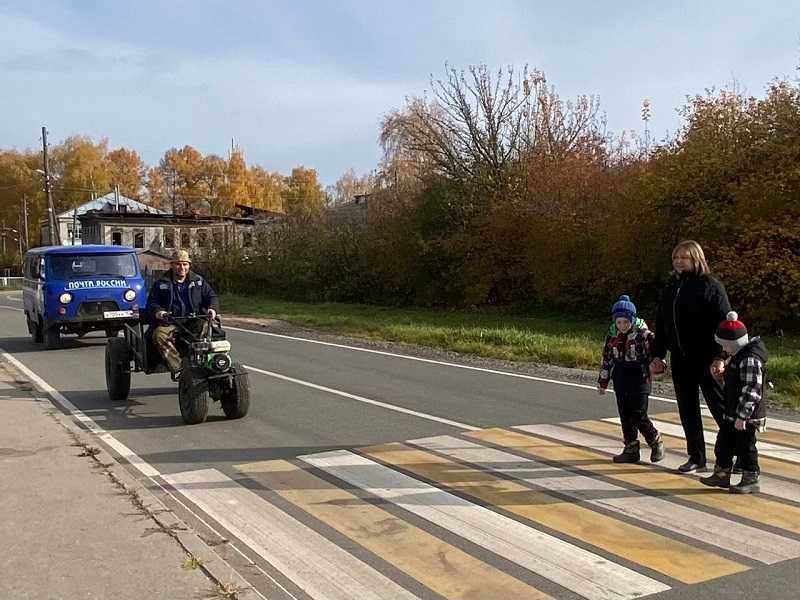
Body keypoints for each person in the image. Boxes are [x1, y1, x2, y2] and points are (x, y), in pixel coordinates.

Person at [650, 240, 731, 473]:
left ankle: (737, 455)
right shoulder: (671, 287)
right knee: (687, 409)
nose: (678, 262)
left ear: (696, 258)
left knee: (721, 407)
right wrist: (658, 355)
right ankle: (696, 457)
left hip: (707, 358)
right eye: (675, 257)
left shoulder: (710, 286)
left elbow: (727, 323)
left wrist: (721, 357)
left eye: (683, 258)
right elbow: (664, 324)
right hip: (680, 358)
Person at [700, 312, 767, 494]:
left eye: (725, 346)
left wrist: (742, 416)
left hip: (746, 415)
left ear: (733, 344)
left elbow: (752, 390)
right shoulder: (737, 356)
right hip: (733, 411)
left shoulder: (750, 359)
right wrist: (722, 378)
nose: (724, 350)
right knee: (724, 442)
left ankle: (750, 477)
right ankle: (722, 473)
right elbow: (734, 384)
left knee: (745, 446)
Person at [598, 295, 665, 463]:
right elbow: (607, 360)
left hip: (640, 379)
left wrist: (658, 365)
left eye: (626, 322)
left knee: (638, 414)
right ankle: (631, 448)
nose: (622, 326)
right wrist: (603, 382)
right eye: (619, 322)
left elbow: (658, 353)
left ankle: (655, 440)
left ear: (632, 320)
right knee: (625, 415)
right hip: (621, 380)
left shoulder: (644, 335)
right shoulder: (612, 337)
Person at [146, 250, 219, 373]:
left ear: (189, 265)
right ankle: (180, 369)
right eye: (178, 264)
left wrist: (212, 308)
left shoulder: (199, 281)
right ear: (172, 265)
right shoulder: (161, 283)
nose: (182, 267)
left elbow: (211, 296)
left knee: (209, 330)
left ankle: (204, 363)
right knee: (159, 335)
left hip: (194, 320)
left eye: (185, 264)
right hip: (170, 323)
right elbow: (152, 303)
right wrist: (159, 312)